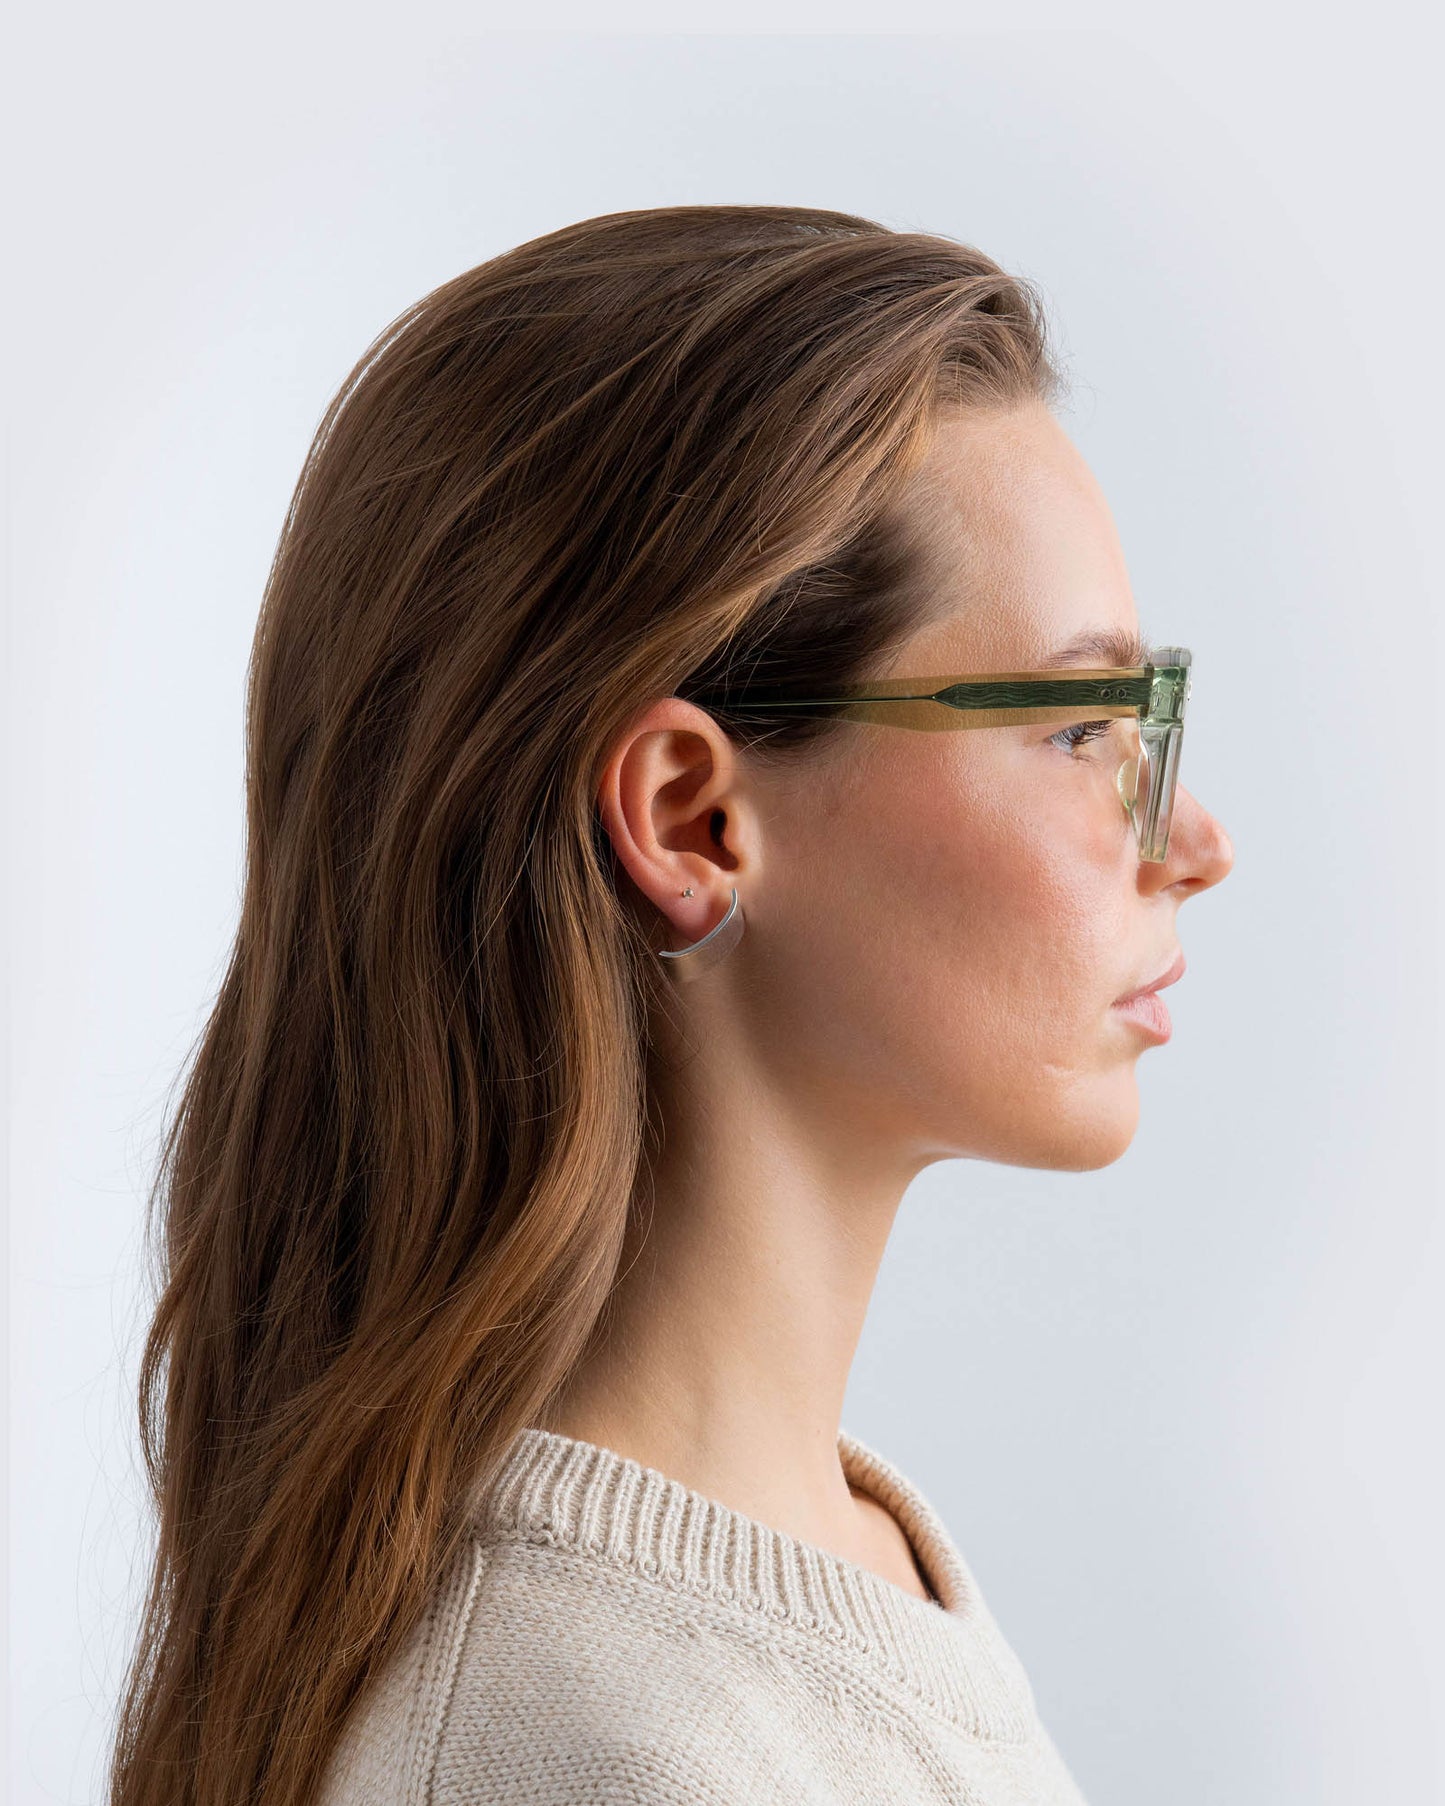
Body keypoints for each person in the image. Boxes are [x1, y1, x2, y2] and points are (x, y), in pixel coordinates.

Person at [107, 204, 1232, 1806]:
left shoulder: (833, 1584)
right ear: (692, 818)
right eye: (1080, 728)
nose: (1194, 841)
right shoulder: (612, 1751)